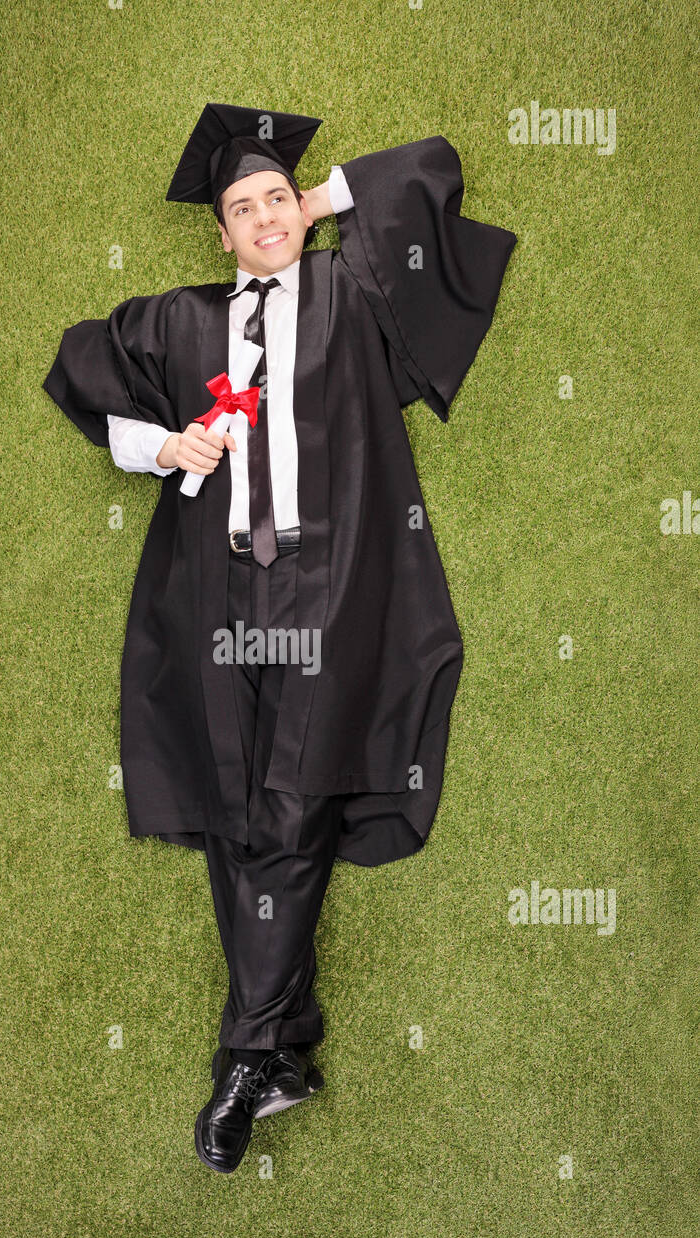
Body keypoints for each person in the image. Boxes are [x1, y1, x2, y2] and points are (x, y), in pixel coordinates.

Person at [43, 102, 516, 1174]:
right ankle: (285, 1046)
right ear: (217, 232)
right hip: (214, 589)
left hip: (331, 579)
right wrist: (166, 445)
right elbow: (81, 366)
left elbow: (429, 169)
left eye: (274, 201)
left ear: (295, 213)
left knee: (292, 792)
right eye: (241, 207)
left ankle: (245, 1058)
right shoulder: (180, 320)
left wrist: (322, 198)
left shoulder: (352, 292)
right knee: (235, 803)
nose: (261, 218)